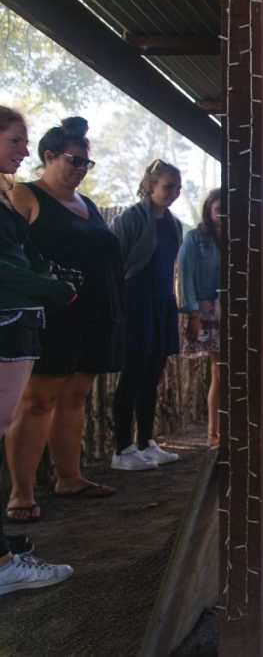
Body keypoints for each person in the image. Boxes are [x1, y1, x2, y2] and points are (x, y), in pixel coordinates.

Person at [5, 116, 123, 525]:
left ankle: (69, 477)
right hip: (52, 314)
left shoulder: (87, 205)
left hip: (94, 312)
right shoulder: (25, 195)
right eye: (74, 161)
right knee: (38, 401)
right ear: (48, 156)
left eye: (86, 165)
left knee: (75, 396)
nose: (80, 170)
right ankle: (20, 493)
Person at [0, 106, 75, 595]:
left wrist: (46, 273)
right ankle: (5, 564)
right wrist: (55, 290)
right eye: (16, 141)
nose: (26, 150)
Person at [109, 160, 184, 470]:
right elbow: (114, 263)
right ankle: (122, 449)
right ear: (151, 184)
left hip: (162, 303)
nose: (173, 193)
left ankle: (146, 443)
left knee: (152, 376)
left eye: (178, 188)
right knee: (133, 375)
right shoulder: (130, 220)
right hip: (135, 303)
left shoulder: (173, 224)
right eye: (168, 186)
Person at [178, 188, 223, 446]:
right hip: (208, 310)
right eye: (219, 210)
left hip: (237, 310)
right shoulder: (195, 239)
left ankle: (230, 429)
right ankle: (213, 434)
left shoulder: (241, 238)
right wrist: (193, 315)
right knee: (220, 371)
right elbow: (186, 278)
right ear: (209, 209)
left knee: (234, 371)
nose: (224, 216)